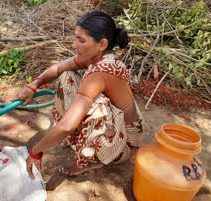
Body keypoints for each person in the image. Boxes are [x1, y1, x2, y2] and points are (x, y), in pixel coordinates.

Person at [13, 11, 143, 180]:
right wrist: (33, 85)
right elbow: (58, 68)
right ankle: (78, 141)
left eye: (81, 40)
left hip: (124, 142)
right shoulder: (95, 57)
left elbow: (68, 126)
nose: (74, 45)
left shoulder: (101, 72)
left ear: (102, 44)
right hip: (116, 124)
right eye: (76, 38)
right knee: (67, 75)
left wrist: (35, 152)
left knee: (95, 108)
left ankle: (93, 160)